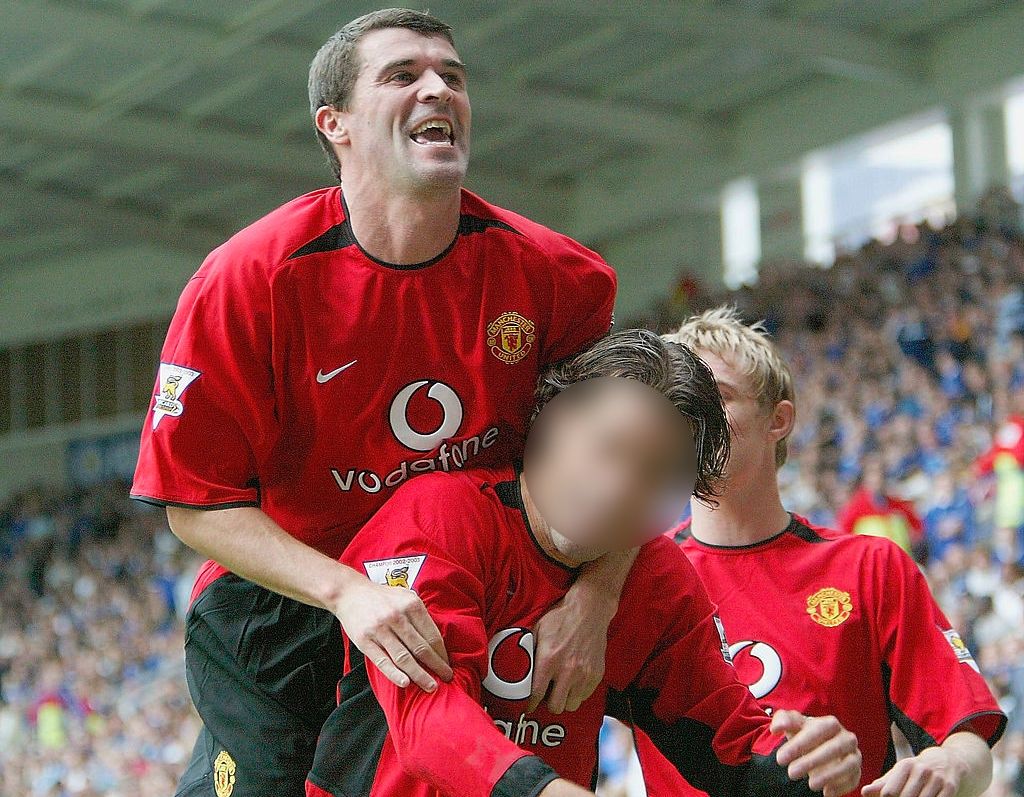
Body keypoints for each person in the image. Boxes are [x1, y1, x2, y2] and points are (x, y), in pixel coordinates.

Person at [129, 9, 631, 796]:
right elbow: (195, 503)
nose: (439, 89)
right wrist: (349, 591)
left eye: (452, 77)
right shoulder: (246, 282)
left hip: (464, 595)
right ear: (335, 124)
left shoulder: (556, 277)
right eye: (403, 75)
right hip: (288, 602)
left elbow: (625, 460)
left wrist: (598, 593)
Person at [306, 329, 862, 797]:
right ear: (551, 419)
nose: (620, 488)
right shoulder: (440, 518)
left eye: (656, 474)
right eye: (608, 448)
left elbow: (728, 746)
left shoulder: (658, 583)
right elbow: (428, 722)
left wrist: (808, 765)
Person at [637, 306, 1005, 797]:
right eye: (680, 404)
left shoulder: (870, 568)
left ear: (778, 420)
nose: (694, 418)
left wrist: (950, 764)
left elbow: (969, 742)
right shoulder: (634, 576)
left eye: (718, 396)